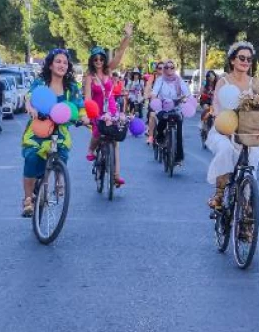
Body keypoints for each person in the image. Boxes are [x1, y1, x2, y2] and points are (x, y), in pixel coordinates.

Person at [206, 41, 259, 210]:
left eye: (249, 59)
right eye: (242, 58)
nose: (245, 62)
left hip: (246, 132)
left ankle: (246, 210)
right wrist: (221, 120)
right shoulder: (223, 81)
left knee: (251, 163)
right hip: (224, 131)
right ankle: (219, 194)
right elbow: (216, 105)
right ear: (232, 60)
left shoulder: (254, 82)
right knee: (225, 150)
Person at [22, 49, 89, 217]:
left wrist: (84, 117)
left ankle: (59, 179)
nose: (62, 65)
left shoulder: (71, 87)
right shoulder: (41, 83)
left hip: (59, 130)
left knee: (61, 155)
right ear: (51, 65)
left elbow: (79, 106)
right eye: (58, 61)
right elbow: (29, 99)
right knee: (32, 158)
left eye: (65, 63)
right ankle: (28, 199)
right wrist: (31, 109)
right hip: (39, 128)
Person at [83, 23, 133, 187]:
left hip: (111, 108)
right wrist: (89, 114)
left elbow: (119, 54)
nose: (99, 61)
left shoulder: (109, 71)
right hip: (96, 109)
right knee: (97, 132)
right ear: (92, 60)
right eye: (96, 59)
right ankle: (91, 150)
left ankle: (116, 175)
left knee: (115, 140)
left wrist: (127, 36)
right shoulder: (89, 76)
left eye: (101, 58)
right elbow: (88, 97)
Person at [151, 59, 190, 165]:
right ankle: (160, 136)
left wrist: (186, 98)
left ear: (174, 69)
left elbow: (187, 93)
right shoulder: (160, 80)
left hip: (176, 107)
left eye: (171, 67)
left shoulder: (179, 79)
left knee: (179, 131)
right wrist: (155, 100)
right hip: (163, 106)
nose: (169, 69)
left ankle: (179, 156)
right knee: (162, 119)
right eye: (166, 67)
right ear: (164, 69)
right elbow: (154, 93)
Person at [145, 61, 164, 145]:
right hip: (154, 100)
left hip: (166, 102)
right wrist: (147, 94)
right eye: (160, 68)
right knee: (152, 115)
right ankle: (151, 136)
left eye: (164, 68)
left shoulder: (169, 77)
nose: (162, 70)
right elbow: (148, 87)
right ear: (156, 69)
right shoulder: (153, 77)